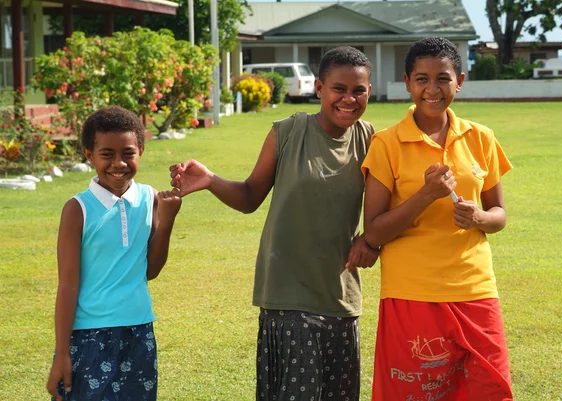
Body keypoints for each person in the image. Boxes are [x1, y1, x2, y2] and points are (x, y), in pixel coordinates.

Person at [170, 46, 378, 400]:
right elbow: (251, 196)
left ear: (369, 91)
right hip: (287, 295)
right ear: (319, 88)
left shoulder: (370, 140)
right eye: (338, 89)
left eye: (358, 90)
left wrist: (373, 241)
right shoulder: (287, 132)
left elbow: (382, 209)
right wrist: (210, 180)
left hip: (340, 296)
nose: (349, 98)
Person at [362, 37, 513, 401]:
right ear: (407, 82)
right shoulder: (387, 143)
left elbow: (500, 215)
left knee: (490, 389)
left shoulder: (481, 137)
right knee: (417, 393)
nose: (433, 89)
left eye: (443, 78)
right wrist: (426, 195)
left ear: (459, 80)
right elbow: (375, 230)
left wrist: (478, 217)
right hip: (411, 291)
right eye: (422, 79)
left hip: (475, 288)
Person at [46, 106, 182, 401]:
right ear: (88, 154)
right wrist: (62, 352)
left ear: (141, 150)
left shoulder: (150, 199)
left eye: (128, 153)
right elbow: (68, 284)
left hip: (139, 331)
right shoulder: (77, 209)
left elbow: (150, 270)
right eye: (107, 154)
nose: (118, 163)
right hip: (88, 336)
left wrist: (168, 220)